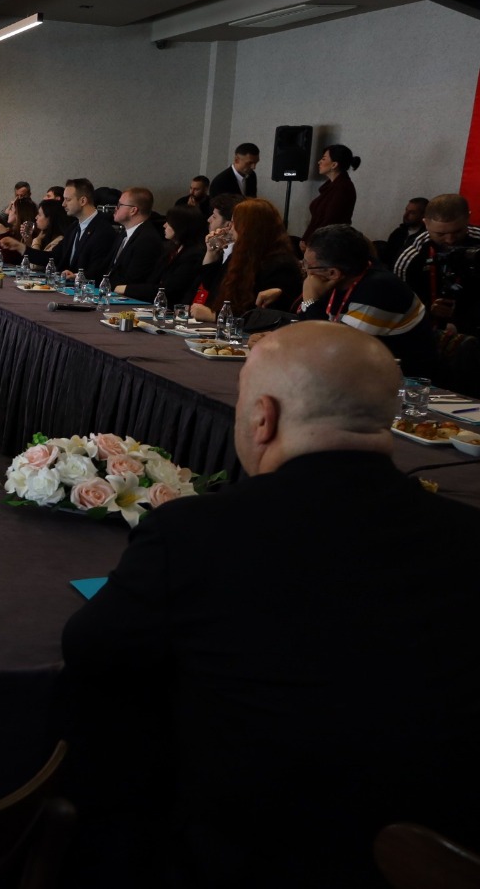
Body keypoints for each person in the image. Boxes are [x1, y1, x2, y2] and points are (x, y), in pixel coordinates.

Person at [60, 321, 480, 889]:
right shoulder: (466, 535)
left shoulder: (197, 533)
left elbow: (90, 649)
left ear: (263, 417)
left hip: (246, 853)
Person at [293, 224, 434, 375]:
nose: (304, 269)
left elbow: (337, 354)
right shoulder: (345, 275)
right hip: (365, 371)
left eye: (307, 265)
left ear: (333, 273)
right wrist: (311, 302)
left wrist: (310, 301)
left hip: (407, 380)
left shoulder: (378, 291)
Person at [191, 198, 300, 321]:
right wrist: (211, 254)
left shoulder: (280, 266)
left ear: (249, 228)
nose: (230, 228)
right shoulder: (242, 255)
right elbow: (212, 289)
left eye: (234, 223)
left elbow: (263, 316)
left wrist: (215, 317)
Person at [393, 193, 480, 338]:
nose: (450, 240)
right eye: (440, 234)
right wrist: (427, 309)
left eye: (457, 231)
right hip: (427, 331)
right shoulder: (410, 256)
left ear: (468, 218)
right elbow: (399, 303)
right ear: (425, 223)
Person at [118, 205, 205, 305]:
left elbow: (169, 289)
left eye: (169, 222)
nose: (164, 225)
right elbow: (152, 281)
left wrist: (127, 289)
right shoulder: (170, 249)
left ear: (181, 226)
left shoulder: (193, 255)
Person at [55, 178, 116, 280]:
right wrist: (25, 249)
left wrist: (75, 276)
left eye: (68, 200)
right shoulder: (73, 227)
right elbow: (54, 256)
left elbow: (98, 271)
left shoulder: (103, 231)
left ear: (83, 201)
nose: (63, 204)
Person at [103, 187, 164, 287]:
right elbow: (109, 268)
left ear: (133, 210)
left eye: (120, 205)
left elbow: (133, 280)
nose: (115, 208)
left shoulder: (147, 240)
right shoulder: (124, 233)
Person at [301, 143, 359, 246]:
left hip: (329, 244)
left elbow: (329, 222)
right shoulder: (331, 187)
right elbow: (316, 220)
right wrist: (305, 239)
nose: (319, 162)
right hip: (319, 241)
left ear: (334, 165)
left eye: (323, 159)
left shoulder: (343, 188)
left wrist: (310, 243)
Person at [0, 198, 67, 268]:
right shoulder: (43, 236)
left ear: (50, 219)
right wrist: (28, 240)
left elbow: (34, 266)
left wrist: (36, 240)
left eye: (39, 215)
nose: (36, 217)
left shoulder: (58, 240)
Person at [382, 197, 428, 262]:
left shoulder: (425, 237)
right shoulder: (398, 233)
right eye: (406, 210)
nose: (405, 215)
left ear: (423, 215)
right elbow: (386, 258)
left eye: (412, 213)